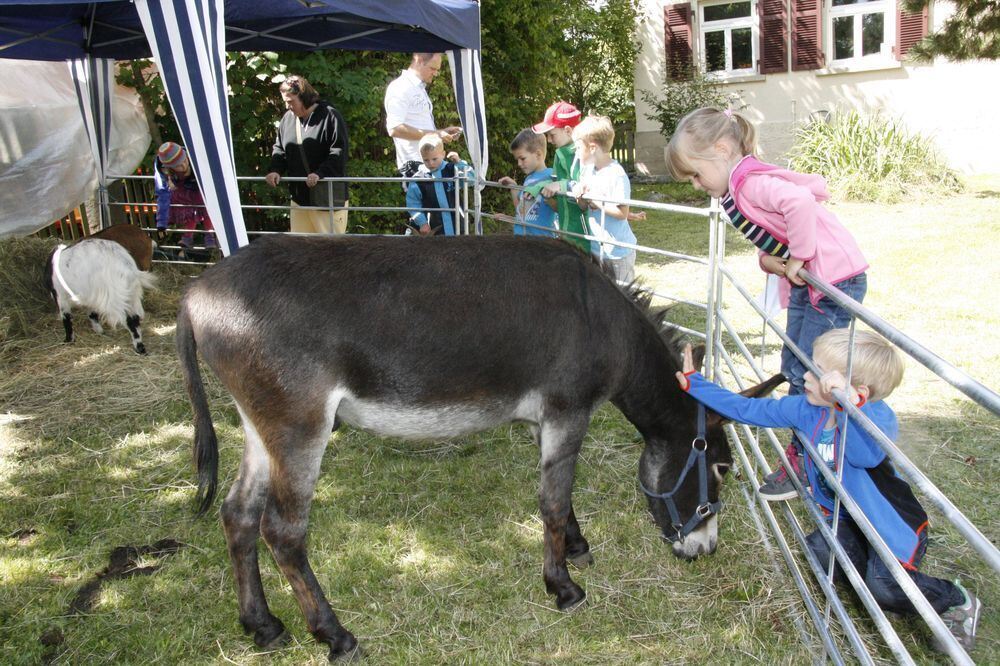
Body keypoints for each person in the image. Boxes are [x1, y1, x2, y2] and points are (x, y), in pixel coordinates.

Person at [675, 330, 983, 653]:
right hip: (848, 519)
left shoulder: (875, 421)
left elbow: (864, 453)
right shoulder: (806, 409)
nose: (805, 374)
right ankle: (869, 579)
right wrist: (696, 384)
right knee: (821, 552)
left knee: (885, 586)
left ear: (858, 392)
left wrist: (849, 406)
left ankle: (956, 600)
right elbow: (748, 410)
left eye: (817, 371)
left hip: (888, 527)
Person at [666, 107, 869, 501]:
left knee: (812, 370)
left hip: (833, 277)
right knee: (795, 364)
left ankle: (811, 456)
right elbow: (772, 235)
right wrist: (770, 259)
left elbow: (799, 204)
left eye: (695, 173)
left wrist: (800, 255)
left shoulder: (750, 184)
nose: (695, 184)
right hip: (813, 282)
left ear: (722, 149)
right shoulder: (734, 189)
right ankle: (806, 448)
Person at [265, 75, 349, 234]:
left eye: (290, 102)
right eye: (285, 102)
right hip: (299, 199)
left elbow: (339, 152)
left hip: (327, 198)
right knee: (300, 251)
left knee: (331, 251)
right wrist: (275, 170)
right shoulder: (287, 119)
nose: (287, 106)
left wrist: (320, 174)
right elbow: (280, 148)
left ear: (303, 97)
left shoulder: (330, 116)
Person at [569, 115, 637, 283]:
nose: (576, 153)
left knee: (622, 294)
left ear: (592, 147)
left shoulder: (616, 175)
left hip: (618, 251)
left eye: (578, 148)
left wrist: (596, 201)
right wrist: (580, 195)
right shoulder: (588, 171)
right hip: (597, 247)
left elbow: (622, 212)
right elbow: (583, 206)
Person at [384, 53, 463, 184]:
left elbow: (418, 124)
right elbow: (394, 128)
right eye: (433, 68)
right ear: (419, 60)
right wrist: (436, 134)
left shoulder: (418, 88)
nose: (436, 73)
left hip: (429, 168)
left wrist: (442, 132)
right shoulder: (400, 87)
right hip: (415, 170)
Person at [533, 101, 589, 252]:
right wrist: (540, 189)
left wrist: (561, 186)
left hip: (583, 233)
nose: (549, 140)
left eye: (552, 135)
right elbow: (555, 183)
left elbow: (583, 186)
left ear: (568, 131)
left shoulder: (583, 154)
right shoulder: (560, 154)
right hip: (566, 230)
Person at [153, 141, 215, 254]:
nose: (184, 165)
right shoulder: (163, 171)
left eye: (185, 160)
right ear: (169, 169)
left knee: (206, 207)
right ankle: (187, 237)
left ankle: (209, 236)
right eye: (178, 165)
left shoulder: (195, 156)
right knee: (189, 211)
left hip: (199, 189)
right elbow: (162, 193)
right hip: (182, 192)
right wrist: (162, 223)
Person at [405, 134, 471, 236]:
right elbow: (413, 204)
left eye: (434, 159)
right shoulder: (418, 179)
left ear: (443, 154)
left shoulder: (453, 169)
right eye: (426, 160)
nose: (431, 163)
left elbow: (471, 181)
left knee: (457, 250)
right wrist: (422, 222)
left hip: (457, 225)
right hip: (433, 229)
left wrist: (460, 163)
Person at [497, 129, 557, 237]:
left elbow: (558, 208)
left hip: (541, 242)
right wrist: (514, 187)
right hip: (522, 240)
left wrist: (549, 197)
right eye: (517, 160)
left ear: (538, 154)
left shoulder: (551, 176)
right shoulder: (528, 179)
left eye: (522, 158)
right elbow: (521, 209)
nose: (519, 164)